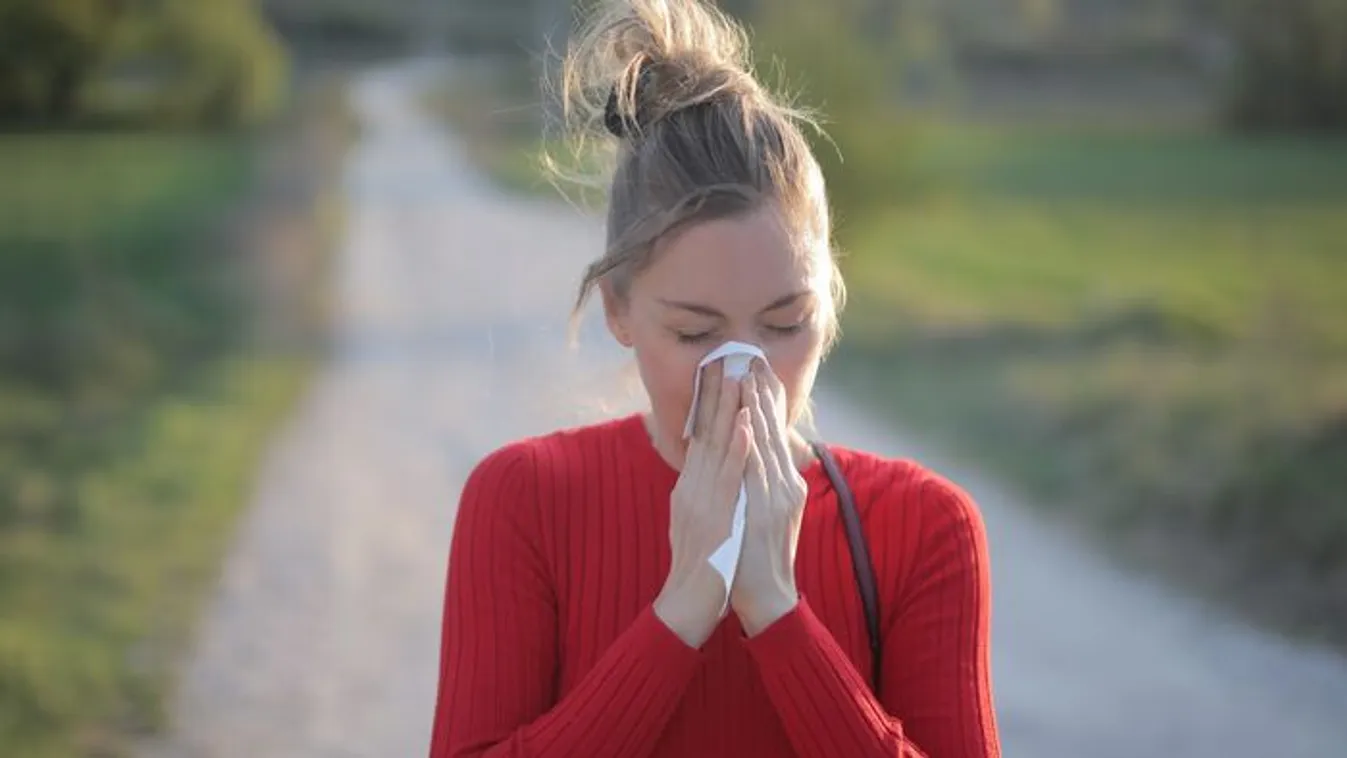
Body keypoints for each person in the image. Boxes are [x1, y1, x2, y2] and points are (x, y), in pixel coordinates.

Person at [428, 1, 1000, 756]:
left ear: (828, 304)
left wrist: (776, 611)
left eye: (785, 321)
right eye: (696, 332)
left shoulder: (924, 528)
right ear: (619, 311)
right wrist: (680, 611)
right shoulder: (525, 500)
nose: (744, 369)